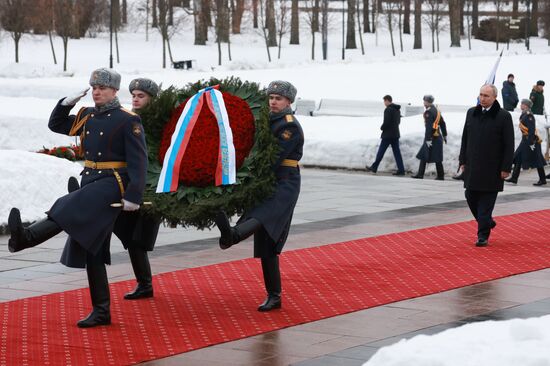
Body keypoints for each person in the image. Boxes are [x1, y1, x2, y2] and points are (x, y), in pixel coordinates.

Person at [7, 68, 148, 328]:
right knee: (92, 247)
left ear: (114, 91)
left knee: (66, 204)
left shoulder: (128, 120)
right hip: (91, 180)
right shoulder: (87, 115)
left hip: (113, 182)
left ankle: (28, 237)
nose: (96, 92)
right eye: (93, 88)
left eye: (102, 88)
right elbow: (57, 125)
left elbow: (139, 161)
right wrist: (65, 104)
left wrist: (134, 195)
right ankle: (102, 311)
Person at [68, 78, 161, 300]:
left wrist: (138, 189)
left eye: (142, 96)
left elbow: (149, 157)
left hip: (146, 186)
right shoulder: (123, 118)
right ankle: (144, 284)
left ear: (153, 99)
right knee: (128, 234)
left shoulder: (155, 120)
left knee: (136, 238)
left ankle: (145, 284)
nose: (136, 99)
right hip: (123, 185)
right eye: (134, 95)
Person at [214, 80, 304, 312]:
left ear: (289, 102)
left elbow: (273, 158)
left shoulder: (289, 126)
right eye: (271, 98)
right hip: (264, 180)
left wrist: (245, 172)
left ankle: (233, 235)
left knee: (266, 217)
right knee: (266, 241)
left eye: (279, 98)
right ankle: (274, 295)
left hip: (284, 182)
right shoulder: (264, 120)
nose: (273, 102)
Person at [459, 84, 514, 247]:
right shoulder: (472, 113)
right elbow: (465, 138)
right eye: (481, 95)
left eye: (486, 96)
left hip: (493, 169)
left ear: (494, 98)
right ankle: (487, 222)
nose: (482, 98)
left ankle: (483, 235)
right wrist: (463, 160)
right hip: (473, 166)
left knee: (485, 204)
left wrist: (506, 167)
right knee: (470, 197)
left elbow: (509, 144)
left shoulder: (503, 116)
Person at [506, 99, 547, 186]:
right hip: (525, 140)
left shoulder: (529, 115)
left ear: (526, 105)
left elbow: (531, 129)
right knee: (517, 157)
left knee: (537, 160)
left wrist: (531, 142)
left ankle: (543, 179)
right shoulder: (524, 114)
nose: (520, 105)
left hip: (531, 141)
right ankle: (514, 178)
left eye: (522, 104)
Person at [365, 95, 405, 176]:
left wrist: (382, 128)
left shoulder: (388, 109)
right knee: (397, 153)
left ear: (387, 100)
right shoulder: (397, 110)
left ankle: (374, 167)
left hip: (387, 135)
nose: (384, 103)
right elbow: (398, 122)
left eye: (384, 101)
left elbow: (386, 122)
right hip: (396, 134)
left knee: (381, 151)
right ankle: (401, 170)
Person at [412, 95, 447, 180]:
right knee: (436, 156)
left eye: (424, 101)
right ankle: (440, 175)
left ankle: (421, 175)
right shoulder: (437, 111)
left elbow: (429, 127)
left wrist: (428, 140)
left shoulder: (429, 112)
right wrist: (445, 135)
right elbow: (442, 123)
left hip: (431, 137)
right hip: (437, 136)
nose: (424, 103)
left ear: (427, 102)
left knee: (426, 155)